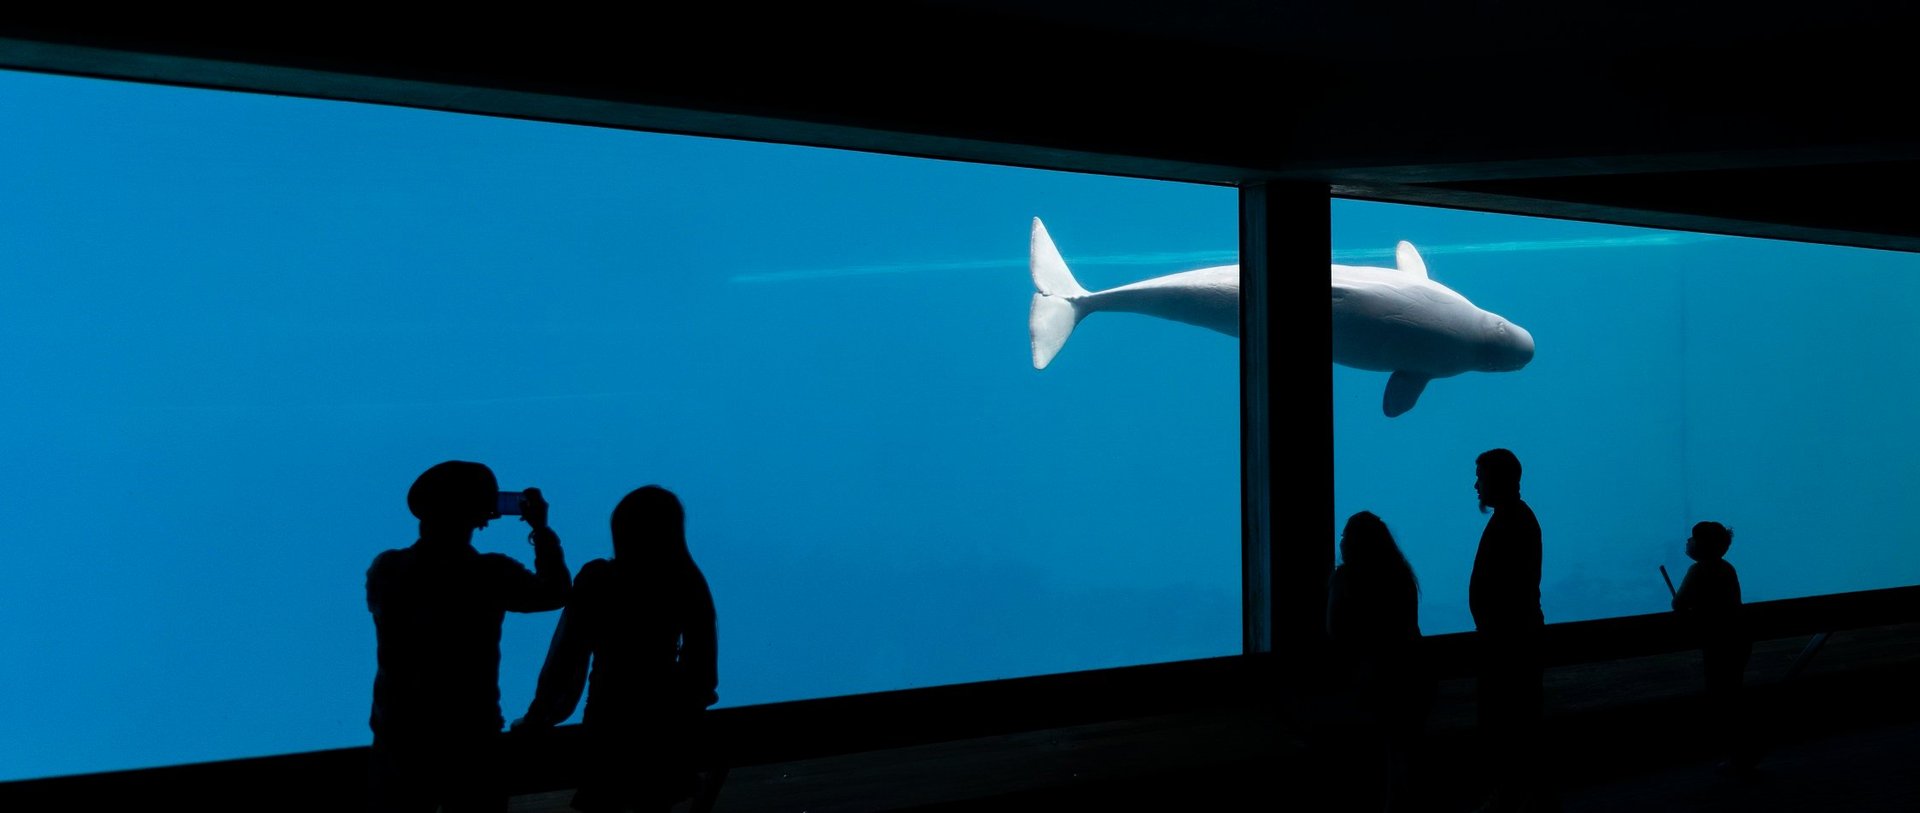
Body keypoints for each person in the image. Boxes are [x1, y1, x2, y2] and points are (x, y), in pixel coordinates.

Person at [366, 460, 572, 813]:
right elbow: (555, 593)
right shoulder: (490, 573)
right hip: (471, 735)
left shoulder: (387, 568)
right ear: (484, 515)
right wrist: (540, 529)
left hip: (398, 732)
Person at [513, 485, 719, 813]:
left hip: (607, 723)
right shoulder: (686, 582)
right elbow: (702, 670)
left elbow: (567, 658)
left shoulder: (599, 579)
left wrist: (540, 716)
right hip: (663, 729)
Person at [1327, 511, 1433, 813]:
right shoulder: (1401, 575)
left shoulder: (1346, 578)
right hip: (1415, 673)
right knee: (1406, 752)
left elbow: (1335, 630)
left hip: (1376, 678)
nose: (1342, 541)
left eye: (1346, 536)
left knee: (1386, 754)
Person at [1468, 448, 1553, 813]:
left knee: (1509, 723)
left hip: (1509, 642)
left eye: (1481, 477)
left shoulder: (1513, 520)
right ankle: (1520, 795)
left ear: (1500, 481)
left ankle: (1512, 796)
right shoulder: (1514, 517)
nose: (1476, 485)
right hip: (1509, 637)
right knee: (1516, 722)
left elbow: (1507, 588)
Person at [1671, 520, 1754, 774]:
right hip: (1737, 638)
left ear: (1703, 545)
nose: (1688, 541)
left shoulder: (1698, 571)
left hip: (1718, 642)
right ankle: (1741, 753)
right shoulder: (1726, 568)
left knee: (1722, 696)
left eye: (1693, 538)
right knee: (1734, 693)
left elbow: (1679, 603)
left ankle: (1738, 755)